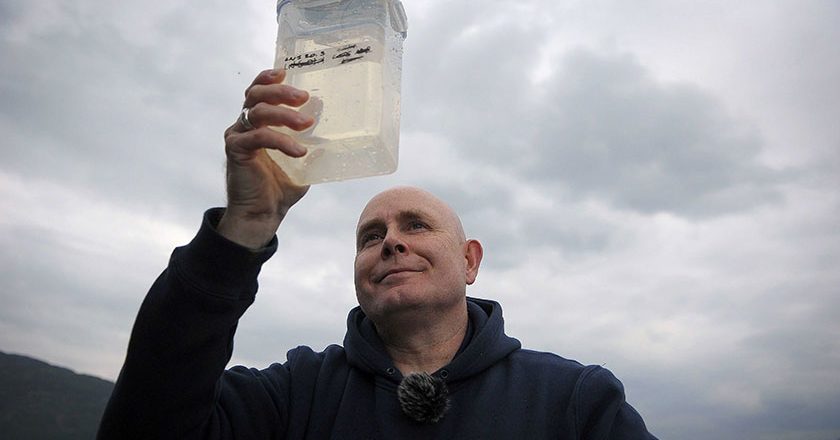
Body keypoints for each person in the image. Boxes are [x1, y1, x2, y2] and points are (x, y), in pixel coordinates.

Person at [97, 69, 658, 439]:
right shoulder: (292, 394)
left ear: (470, 261)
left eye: (416, 226)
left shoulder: (574, 401)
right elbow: (147, 422)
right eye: (370, 236)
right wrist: (243, 227)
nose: (391, 241)